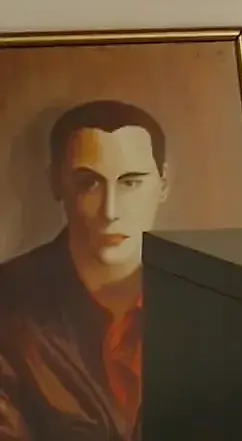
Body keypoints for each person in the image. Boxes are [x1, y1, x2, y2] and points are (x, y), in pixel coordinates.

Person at [0, 100, 172, 441]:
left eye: (131, 183)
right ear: (56, 183)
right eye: (90, 183)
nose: (110, 211)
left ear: (163, 186)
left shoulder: (208, 301)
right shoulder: (7, 302)